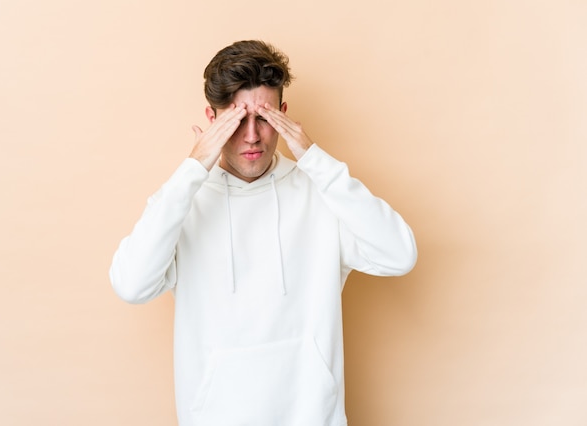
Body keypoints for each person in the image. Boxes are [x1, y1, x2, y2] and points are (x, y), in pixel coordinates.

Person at [110, 40, 417, 426]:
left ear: (284, 114)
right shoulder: (183, 203)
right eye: (237, 119)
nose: (252, 136)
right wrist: (191, 172)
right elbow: (131, 284)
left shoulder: (320, 192)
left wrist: (315, 161)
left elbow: (399, 255)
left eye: (265, 118)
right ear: (212, 119)